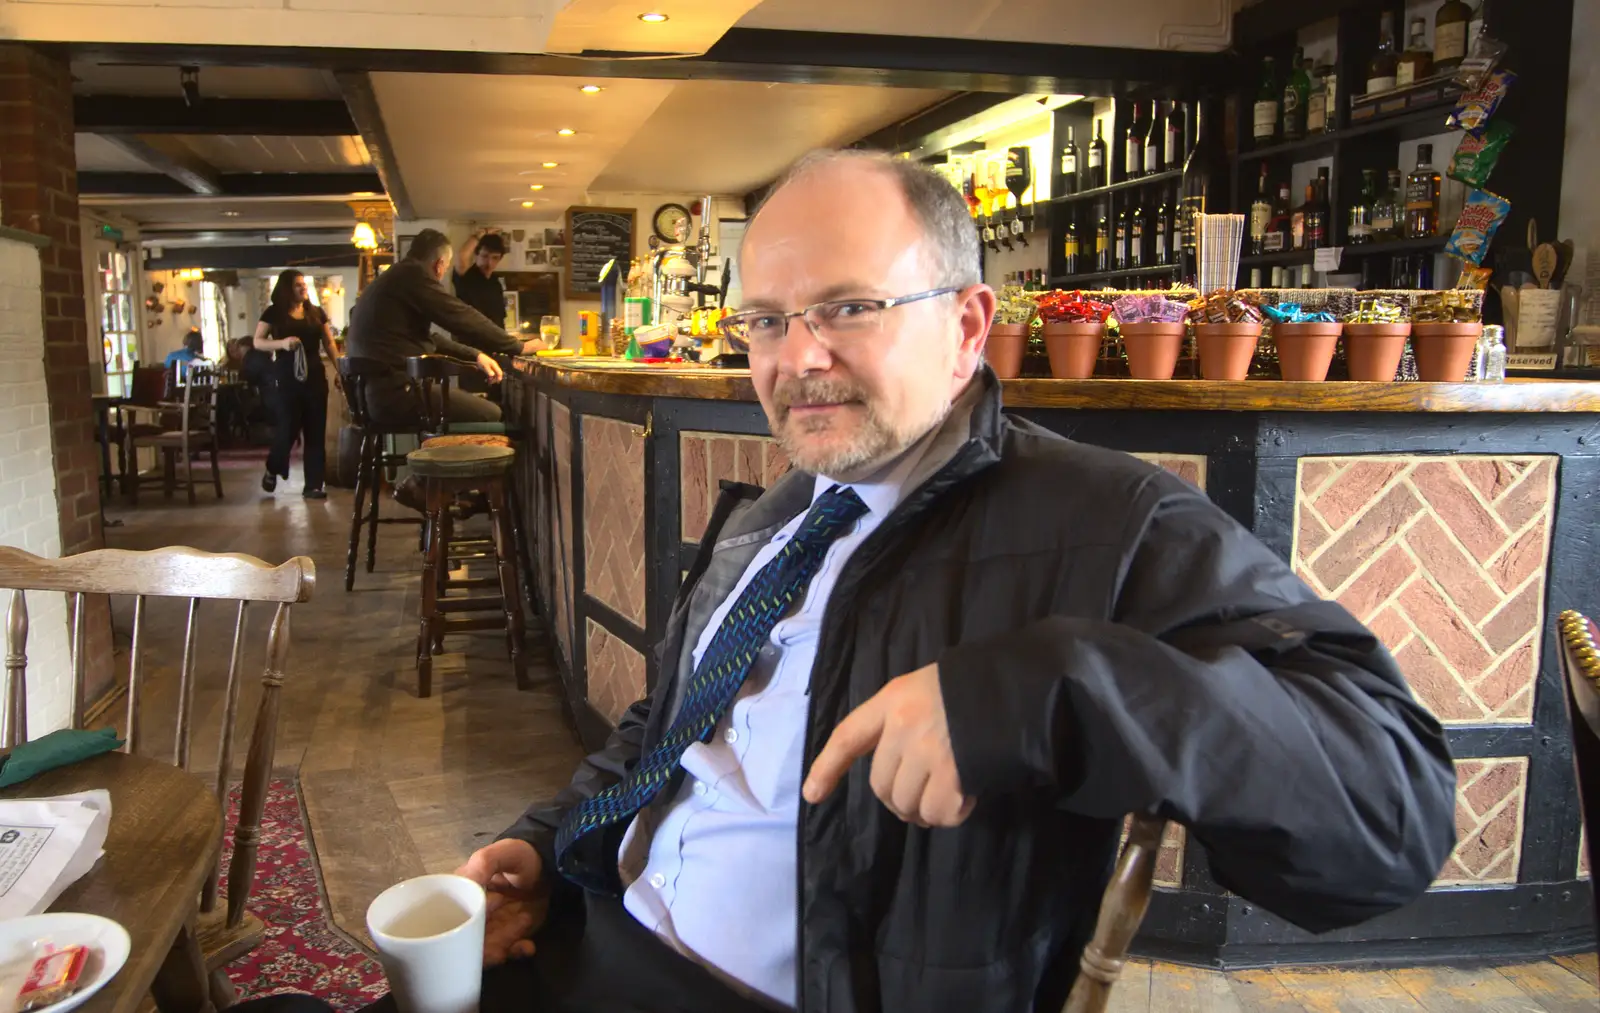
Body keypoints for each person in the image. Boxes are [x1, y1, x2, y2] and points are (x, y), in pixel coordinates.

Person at [275, 151, 1458, 1013]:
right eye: (766, 321)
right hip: (588, 933)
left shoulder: (1110, 521)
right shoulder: (786, 506)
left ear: (968, 323)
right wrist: (544, 840)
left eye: (846, 307)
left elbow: (1391, 812)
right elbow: (668, 729)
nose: (798, 358)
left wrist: (1047, 694)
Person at [343, 228, 544, 428]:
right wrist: (518, 347)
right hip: (394, 397)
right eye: (446, 268)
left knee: (484, 407)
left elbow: (432, 339)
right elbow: (459, 316)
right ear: (439, 265)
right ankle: (456, 458)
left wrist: (476, 355)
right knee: (493, 413)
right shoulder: (413, 276)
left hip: (372, 397)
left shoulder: (395, 277)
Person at [252, 270, 339, 499]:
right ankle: (273, 467)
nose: (303, 288)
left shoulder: (316, 312)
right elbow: (258, 342)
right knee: (288, 428)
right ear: (286, 289)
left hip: (314, 376)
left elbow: (329, 343)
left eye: (304, 284)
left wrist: (341, 369)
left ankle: (314, 484)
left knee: (315, 429)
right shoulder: (274, 313)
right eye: (298, 285)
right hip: (287, 376)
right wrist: (282, 343)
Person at [454, 227, 511, 326]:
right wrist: (483, 232)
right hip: (471, 338)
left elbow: (500, 318)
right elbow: (462, 255)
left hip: (495, 338)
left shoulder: (496, 282)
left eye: (495, 258)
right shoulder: (468, 275)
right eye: (485, 256)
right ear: (476, 255)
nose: (489, 263)